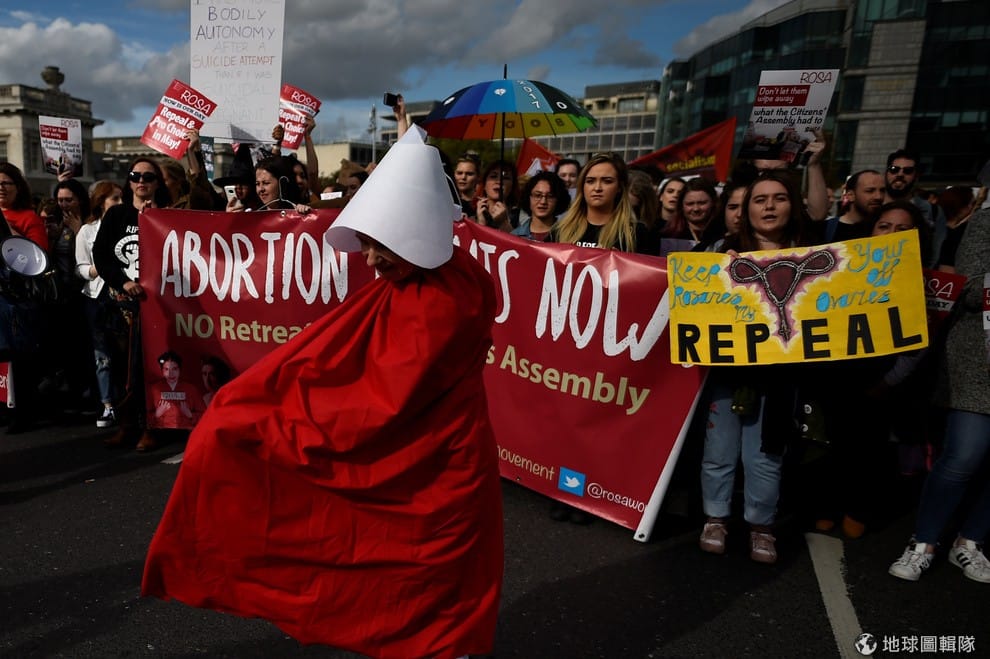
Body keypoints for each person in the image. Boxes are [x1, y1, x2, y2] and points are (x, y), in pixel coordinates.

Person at [142, 126, 503, 658]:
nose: (370, 259)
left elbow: (379, 400)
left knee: (427, 576)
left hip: (437, 462)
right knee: (424, 578)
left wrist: (270, 425)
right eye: (367, 243)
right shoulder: (447, 274)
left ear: (414, 235)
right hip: (445, 455)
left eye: (379, 245)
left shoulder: (437, 302)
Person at [698, 170, 815, 564]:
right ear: (745, 210)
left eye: (778, 198)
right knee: (719, 450)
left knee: (764, 455)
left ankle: (761, 526)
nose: (769, 207)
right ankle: (715, 518)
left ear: (792, 205)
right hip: (729, 372)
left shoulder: (813, 255)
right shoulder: (722, 251)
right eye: (760, 200)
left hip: (780, 376)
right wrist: (718, 272)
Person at [888, 202, 990, 584]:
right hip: (979, 362)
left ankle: (970, 541)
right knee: (963, 455)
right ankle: (923, 543)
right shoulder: (986, 221)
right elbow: (970, 289)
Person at [93, 157, 171, 451]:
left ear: (157, 183)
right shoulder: (117, 215)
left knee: (149, 367)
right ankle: (127, 425)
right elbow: (101, 255)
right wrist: (123, 282)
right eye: (135, 175)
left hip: (157, 306)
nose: (141, 181)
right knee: (122, 368)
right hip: (120, 304)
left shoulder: (166, 215)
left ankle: (151, 426)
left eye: (148, 177)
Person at [0, 163, 49, 432]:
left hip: (17, 299)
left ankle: (22, 411)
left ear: (17, 187)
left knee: (18, 357)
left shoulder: (28, 217)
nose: (1, 188)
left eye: (6, 183)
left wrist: (9, 232)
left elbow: (39, 256)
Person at [75, 180, 125, 427]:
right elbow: (80, 268)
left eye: (122, 198)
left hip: (123, 296)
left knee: (126, 353)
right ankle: (107, 405)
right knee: (101, 354)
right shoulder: (87, 231)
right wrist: (99, 268)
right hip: (97, 297)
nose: (120, 203)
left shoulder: (129, 227)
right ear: (101, 202)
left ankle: (127, 402)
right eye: (114, 198)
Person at [550, 152, 658, 255]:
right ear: (582, 186)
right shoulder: (560, 230)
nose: (597, 188)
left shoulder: (637, 233)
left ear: (620, 187)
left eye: (607, 181)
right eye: (590, 181)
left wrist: (621, 261)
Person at [820, 169, 885, 243]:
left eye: (882, 191)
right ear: (850, 195)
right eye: (870, 191)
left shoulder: (885, 228)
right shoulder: (825, 229)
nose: (878, 196)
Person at [512, 170, 570, 242]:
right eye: (537, 195)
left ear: (558, 199)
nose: (543, 202)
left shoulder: (569, 236)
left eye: (550, 196)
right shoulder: (514, 237)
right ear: (528, 198)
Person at [149, 350, 201, 429]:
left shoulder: (191, 389)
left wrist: (190, 414)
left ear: (180, 370)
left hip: (185, 433)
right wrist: (156, 414)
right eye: (166, 369)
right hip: (160, 433)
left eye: (174, 369)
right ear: (161, 370)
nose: (171, 374)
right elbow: (141, 418)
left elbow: (205, 416)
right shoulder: (154, 389)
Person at [661, 177, 719, 243]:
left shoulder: (722, 234)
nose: (696, 209)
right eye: (690, 204)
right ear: (681, 205)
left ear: (713, 202)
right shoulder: (669, 234)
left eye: (702, 203)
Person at [475, 160, 520, 231]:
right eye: (493, 176)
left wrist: (504, 224)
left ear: (513, 185)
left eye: (506, 178)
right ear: (484, 185)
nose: (499, 181)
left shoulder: (521, 217)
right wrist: (481, 223)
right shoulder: (471, 215)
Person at [453, 152, 482, 216]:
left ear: (478, 177)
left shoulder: (482, 204)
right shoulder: (448, 202)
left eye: (469, 174)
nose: (463, 177)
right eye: (459, 173)